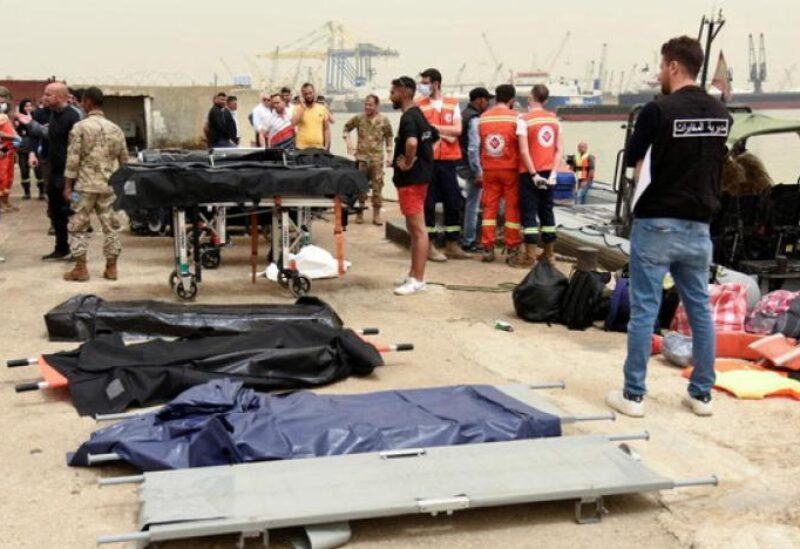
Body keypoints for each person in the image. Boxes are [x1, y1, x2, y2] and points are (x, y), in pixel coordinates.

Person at [606, 36, 733, 418]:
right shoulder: (721, 115)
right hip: (699, 228)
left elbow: (633, 162)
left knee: (645, 310)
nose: (660, 73)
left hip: (657, 222)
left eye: (662, 66)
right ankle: (701, 394)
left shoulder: (657, 112)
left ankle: (634, 395)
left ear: (674, 66)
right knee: (700, 312)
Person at [62, 87, 128, 282]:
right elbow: (124, 160)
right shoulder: (116, 128)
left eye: (82, 101)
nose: (81, 104)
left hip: (84, 188)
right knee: (111, 226)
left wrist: (67, 186)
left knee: (77, 225)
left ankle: (80, 268)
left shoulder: (80, 127)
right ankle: (111, 268)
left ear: (88, 102)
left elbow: (73, 160)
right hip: (109, 186)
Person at [19, 82, 82, 260]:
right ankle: (61, 247)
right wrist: (31, 125)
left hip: (70, 174)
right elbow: (49, 134)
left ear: (60, 96)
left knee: (73, 210)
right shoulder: (54, 115)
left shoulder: (73, 116)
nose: (44, 97)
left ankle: (78, 251)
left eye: (48, 94)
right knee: (56, 211)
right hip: (54, 170)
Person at [416, 68, 471, 261]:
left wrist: (436, 130)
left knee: (452, 201)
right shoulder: (419, 105)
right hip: (428, 161)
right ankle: (429, 244)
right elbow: (420, 131)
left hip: (448, 161)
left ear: (436, 84)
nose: (422, 86)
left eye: (425, 82)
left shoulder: (452, 104)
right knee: (428, 203)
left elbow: (458, 130)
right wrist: (445, 134)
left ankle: (452, 244)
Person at [390, 76, 437, 296]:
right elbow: (433, 136)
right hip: (420, 179)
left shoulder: (409, 118)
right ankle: (414, 274)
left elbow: (412, 142)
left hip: (411, 182)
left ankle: (418, 279)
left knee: (418, 231)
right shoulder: (419, 115)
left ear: (404, 92)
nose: (391, 96)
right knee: (414, 229)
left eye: (393, 92)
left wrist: (409, 162)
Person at [514, 84, 563, 267]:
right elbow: (559, 150)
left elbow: (524, 151)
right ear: (546, 100)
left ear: (530, 97)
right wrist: (553, 174)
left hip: (529, 173)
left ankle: (530, 256)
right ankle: (549, 254)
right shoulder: (555, 120)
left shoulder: (523, 120)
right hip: (549, 172)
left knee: (529, 214)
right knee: (547, 212)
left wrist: (534, 174)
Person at [477, 84, 522, 263]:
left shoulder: (483, 118)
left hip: (489, 168)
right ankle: (512, 247)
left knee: (489, 208)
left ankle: (487, 247)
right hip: (510, 168)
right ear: (511, 100)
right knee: (512, 208)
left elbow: (480, 143)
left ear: (496, 97)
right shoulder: (517, 117)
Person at [342, 94, 394, 225]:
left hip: (377, 159)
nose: (367, 107)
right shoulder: (359, 119)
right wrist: (349, 143)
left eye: (370, 104)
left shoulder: (384, 120)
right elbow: (346, 128)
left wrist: (389, 155)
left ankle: (376, 215)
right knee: (360, 187)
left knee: (378, 186)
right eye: (366, 104)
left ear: (376, 106)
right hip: (362, 158)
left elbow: (389, 137)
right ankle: (360, 213)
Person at [458, 87, 494, 253]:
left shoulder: (464, 114)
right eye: (487, 100)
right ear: (480, 100)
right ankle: (469, 240)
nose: (488, 103)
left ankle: (465, 237)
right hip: (469, 166)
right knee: (473, 203)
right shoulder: (474, 119)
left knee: (467, 201)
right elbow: (473, 148)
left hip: (458, 163)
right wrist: (478, 172)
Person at [13, 98, 43, 200]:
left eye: (30, 105)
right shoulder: (18, 119)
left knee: (39, 171)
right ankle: (27, 192)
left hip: (35, 148)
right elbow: (17, 132)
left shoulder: (36, 116)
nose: (28, 108)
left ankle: (41, 192)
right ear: (22, 107)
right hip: (23, 149)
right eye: (26, 106)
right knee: (24, 171)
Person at [292, 83, 330, 151]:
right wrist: (303, 108)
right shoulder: (297, 108)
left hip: (319, 148)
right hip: (301, 148)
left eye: (310, 93)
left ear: (314, 92)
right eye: (305, 94)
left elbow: (326, 129)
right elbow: (293, 123)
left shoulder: (322, 108)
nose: (308, 96)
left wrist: (326, 146)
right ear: (302, 95)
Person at [0, 89, 20, 212]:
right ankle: (1, 204)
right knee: (1, 176)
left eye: (4, 97)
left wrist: (15, 137)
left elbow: (11, 130)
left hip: (10, 148)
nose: (3, 100)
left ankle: (6, 201)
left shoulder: (6, 115)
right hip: (2, 149)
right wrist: (13, 137)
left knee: (8, 176)